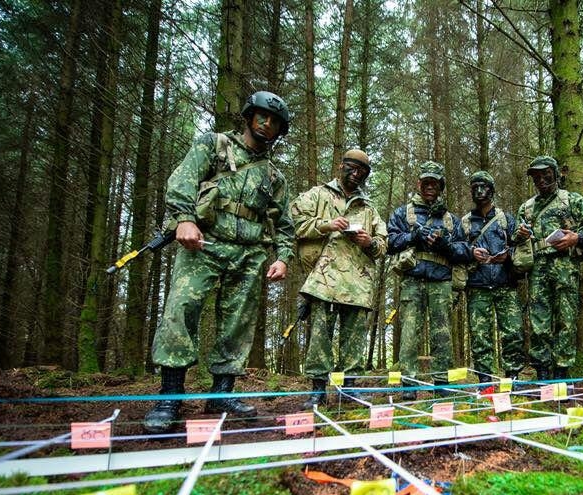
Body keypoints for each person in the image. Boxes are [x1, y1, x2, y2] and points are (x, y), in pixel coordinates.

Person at [144, 91, 295, 432]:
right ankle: (170, 397)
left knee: (237, 325)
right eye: (261, 115)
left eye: (274, 121)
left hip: (249, 254)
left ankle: (221, 394)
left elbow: (284, 224)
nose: (266, 123)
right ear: (248, 116)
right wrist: (184, 218)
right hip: (203, 245)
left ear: (279, 132)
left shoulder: (275, 177)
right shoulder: (212, 146)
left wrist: (283, 258)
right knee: (180, 311)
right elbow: (182, 182)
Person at [291, 149, 387, 409]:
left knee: (354, 340)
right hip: (323, 280)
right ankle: (317, 391)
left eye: (362, 173)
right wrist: (327, 224)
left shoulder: (369, 208)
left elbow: (383, 245)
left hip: (358, 283)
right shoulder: (318, 195)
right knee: (320, 337)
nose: (356, 175)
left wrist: (370, 242)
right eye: (352, 168)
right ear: (340, 166)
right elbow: (295, 224)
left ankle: (351, 390)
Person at [513, 156, 583, 381]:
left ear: (555, 174)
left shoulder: (571, 200)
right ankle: (542, 373)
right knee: (538, 321)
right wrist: (520, 235)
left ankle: (562, 373)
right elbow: (515, 238)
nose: (541, 180)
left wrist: (577, 238)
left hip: (564, 266)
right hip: (537, 268)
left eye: (545, 175)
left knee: (566, 320)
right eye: (536, 176)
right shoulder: (527, 207)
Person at [387, 161, 469, 396]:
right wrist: (413, 236)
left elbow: (466, 251)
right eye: (426, 182)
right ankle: (409, 386)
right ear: (419, 184)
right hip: (412, 281)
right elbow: (389, 242)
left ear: (441, 186)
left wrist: (446, 246)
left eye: (435, 183)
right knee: (409, 334)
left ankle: (442, 384)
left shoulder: (451, 219)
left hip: (441, 282)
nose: (430, 187)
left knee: (442, 336)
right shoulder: (403, 213)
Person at [461, 171, 524, 385]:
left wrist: (509, 255)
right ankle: (485, 382)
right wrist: (471, 252)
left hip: (505, 284)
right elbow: (456, 250)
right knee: (480, 337)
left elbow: (520, 247)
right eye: (475, 187)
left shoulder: (506, 219)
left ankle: (512, 380)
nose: (480, 191)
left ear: (492, 191)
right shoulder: (465, 222)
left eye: (484, 187)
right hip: (477, 286)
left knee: (513, 333)